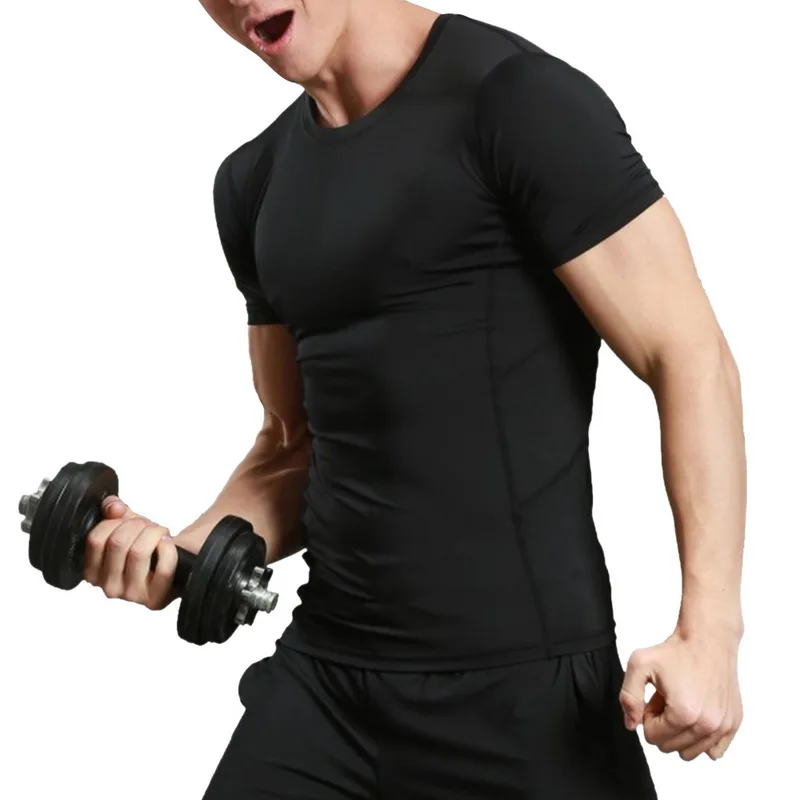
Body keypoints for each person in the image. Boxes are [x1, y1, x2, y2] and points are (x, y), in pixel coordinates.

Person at [82, 1, 746, 797]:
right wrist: (183, 556)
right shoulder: (253, 182)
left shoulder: (518, 102)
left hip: (523, 696)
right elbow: (293, 447)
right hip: (326, 689)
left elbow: (689, 354)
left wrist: (710, 633)